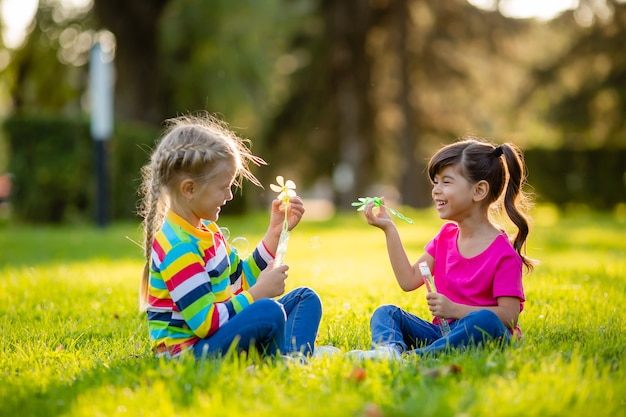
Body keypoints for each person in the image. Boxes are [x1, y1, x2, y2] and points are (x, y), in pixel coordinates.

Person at [138, 114, 324, 360]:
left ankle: (291, 356)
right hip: (189, 355)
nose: (230, 195)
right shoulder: (178, 247)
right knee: (269, 310)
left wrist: (274, 232)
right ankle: (286, 359)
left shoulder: (207, 232)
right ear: (189, 189)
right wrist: (258, 294)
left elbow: (241, 279)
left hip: (216, 337)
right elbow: (205, 323)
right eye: (224, 186)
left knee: (305, 299)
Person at [350, 137, 536, 359]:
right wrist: (389, 229)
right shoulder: (446, 237)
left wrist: (455, 310)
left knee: (485, 320)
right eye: (435, 182)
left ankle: (417, 357)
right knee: (387, 313)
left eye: (446, 182)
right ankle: (388, 352)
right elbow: (408, 280)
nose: (436, 191)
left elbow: (508, 316)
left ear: (479, 191)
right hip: (443, 333)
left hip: (484, 335)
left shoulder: (503, 254)